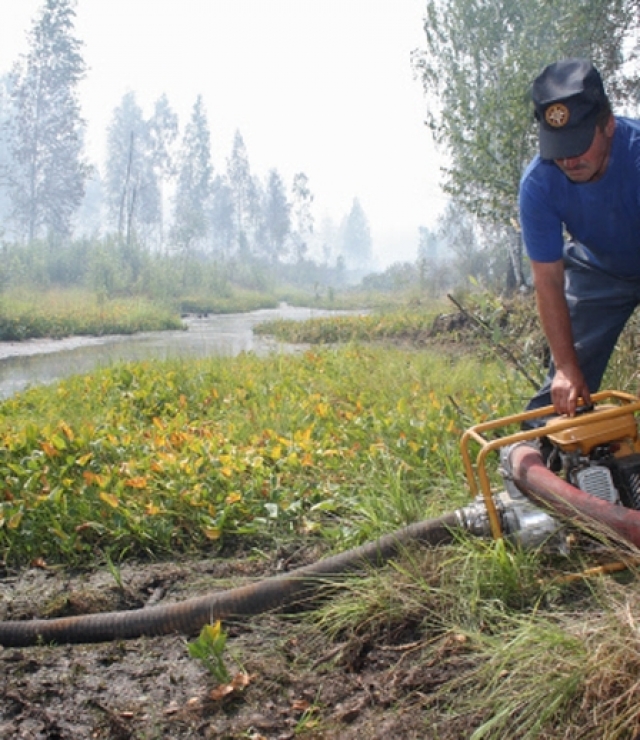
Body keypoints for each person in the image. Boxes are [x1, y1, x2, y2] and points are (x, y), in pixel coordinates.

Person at [519, 57, 640, 417]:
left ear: (608, 126)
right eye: (559, 148)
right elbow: (549, 279)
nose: (569, 160)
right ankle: (540, 455)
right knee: (564, 389)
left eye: (579, 143)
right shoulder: (539, 183)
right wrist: (568, 367)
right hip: (600, 269)